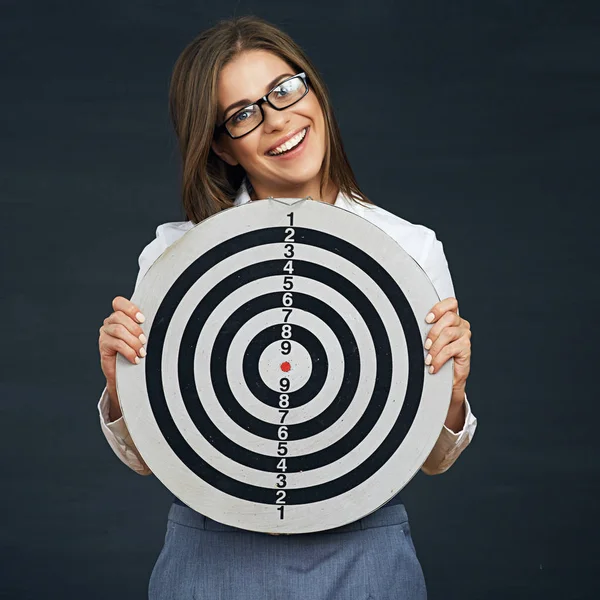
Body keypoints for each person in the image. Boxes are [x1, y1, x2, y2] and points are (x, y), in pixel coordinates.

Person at [97, 16, 477, 600]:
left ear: (314, 91)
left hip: (365, 557)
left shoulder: (410, 250)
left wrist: (450, 397)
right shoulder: (177, 258)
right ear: (222, 143)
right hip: (211, 556)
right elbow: (151, 459)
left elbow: (429, 460)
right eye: (244, 113)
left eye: (284, 89)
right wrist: (121, 384)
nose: (278, 120)